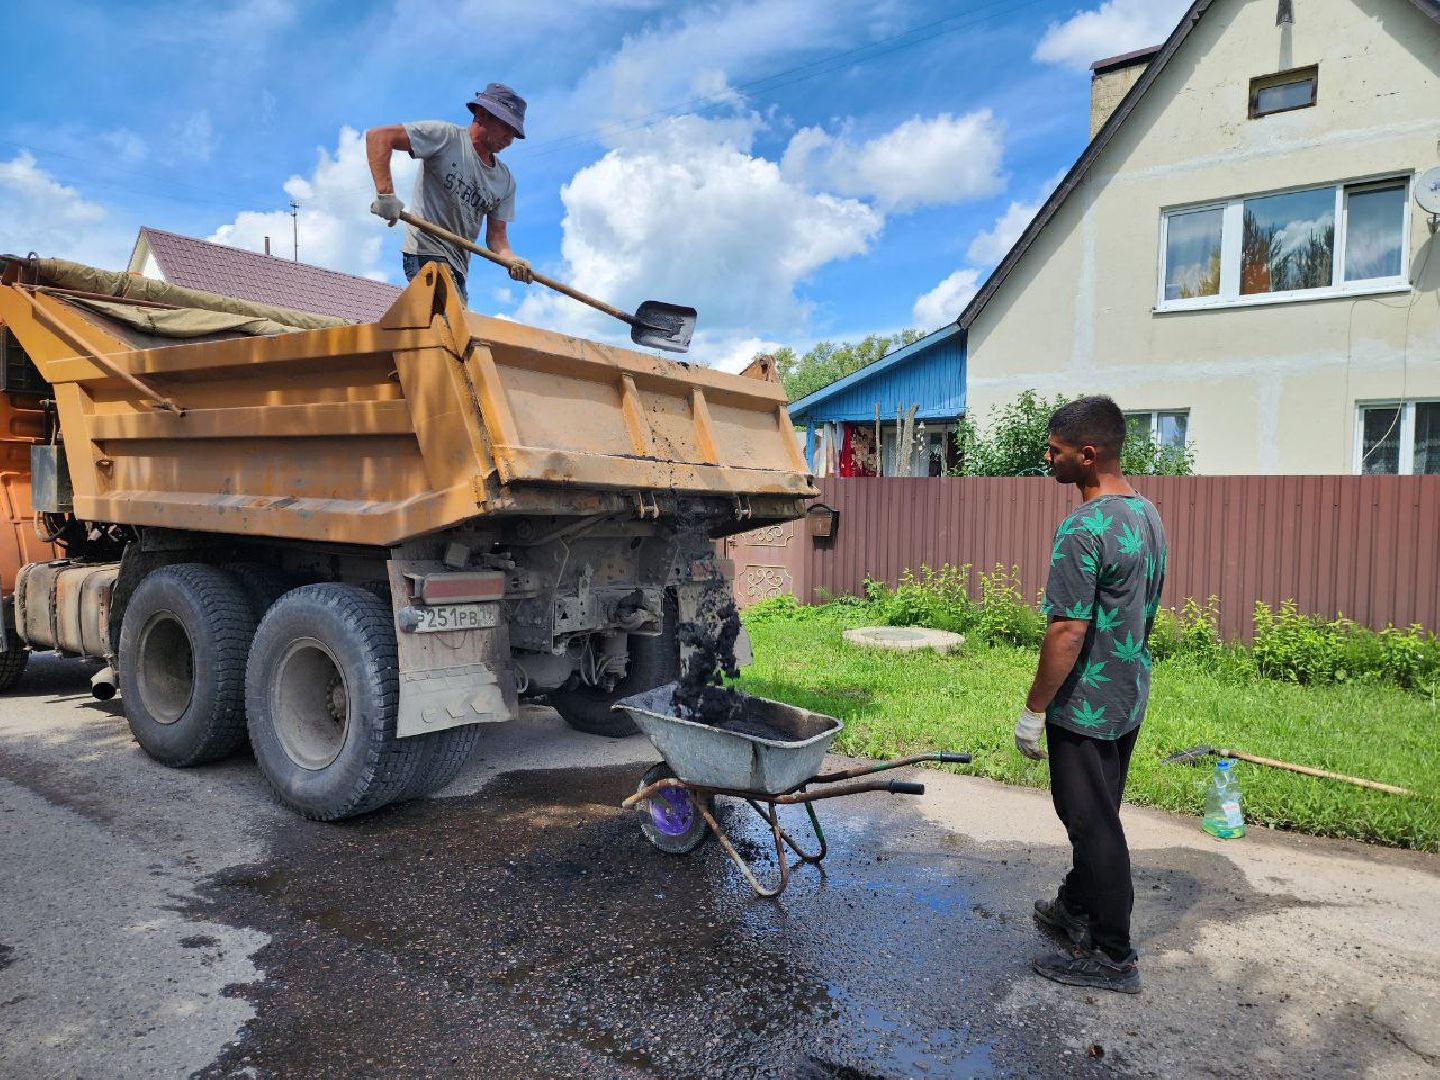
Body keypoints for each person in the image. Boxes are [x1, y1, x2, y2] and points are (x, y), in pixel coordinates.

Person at [1014, 395, 1167, 995]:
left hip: (1085, 704)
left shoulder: (1083, 527)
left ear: (1087, 453)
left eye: (1054, 450)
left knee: (1092, 826)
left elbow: (1067, 630)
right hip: (1129, 692)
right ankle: (1074, 910)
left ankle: (1113, 955)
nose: (1046, 458)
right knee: (1097, 814)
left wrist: (1033, 711)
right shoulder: (1147, 514)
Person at [365, 83, 534, 305]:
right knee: (454, 329)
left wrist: (511, 260)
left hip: (459, 268)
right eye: (505, 127)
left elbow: (497, 239)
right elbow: (378, 138)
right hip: (425, 252)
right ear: (482, 115)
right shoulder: (446, 137)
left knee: (459, 333)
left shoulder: (505, 181)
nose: (509, 139)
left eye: (514, 133)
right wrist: (386, 194)